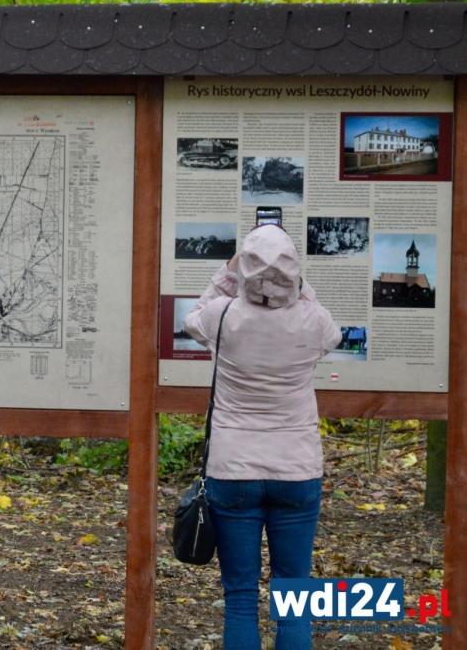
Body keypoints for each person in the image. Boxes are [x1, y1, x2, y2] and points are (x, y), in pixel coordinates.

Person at [184, 224, 341, 650]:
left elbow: (194, 313)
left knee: (239, 597)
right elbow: (330, 331)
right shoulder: (314, 320)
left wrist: (229, 271)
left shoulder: (223, 317)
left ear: (244, 268)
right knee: (294, 594)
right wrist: (291, 282)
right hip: (297, 470)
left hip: (233, 470)